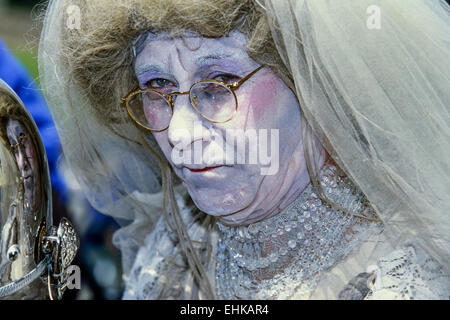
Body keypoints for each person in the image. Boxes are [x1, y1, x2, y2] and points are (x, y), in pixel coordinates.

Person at [38, 0, 450, 299]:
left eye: (218, 82)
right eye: (157, 87)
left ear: (312, 83)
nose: (179, 133)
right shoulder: (177, 242)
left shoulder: (401, 278)